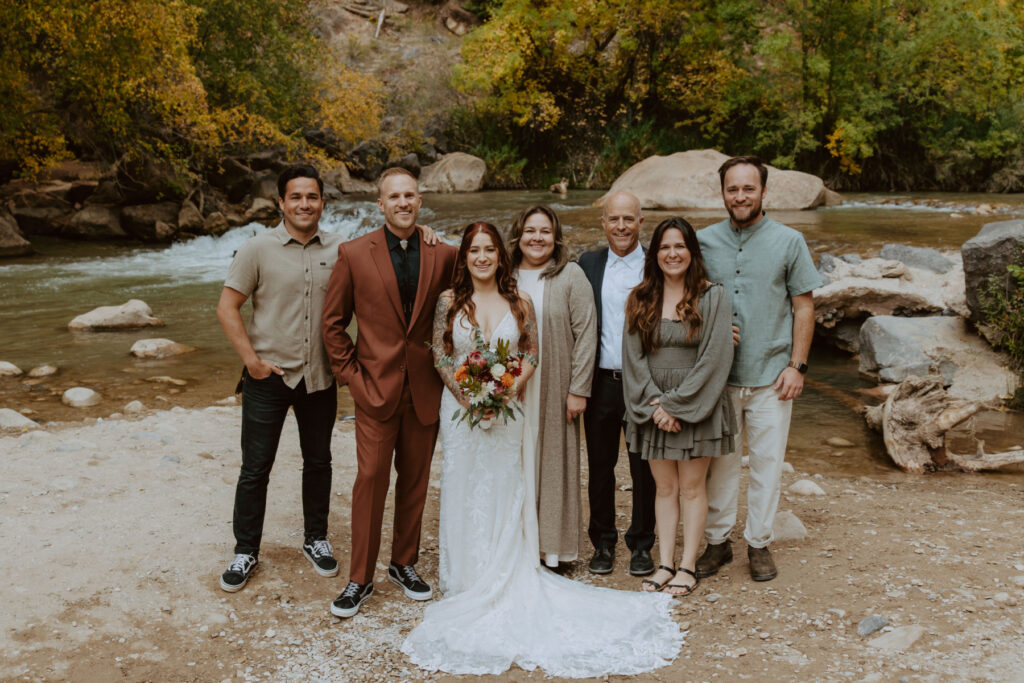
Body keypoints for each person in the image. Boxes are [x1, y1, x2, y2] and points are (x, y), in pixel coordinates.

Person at [401, 223, 681, 678]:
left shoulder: (520, 302)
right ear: (465, 257)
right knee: (464, 486)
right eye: (475, 250)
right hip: (462, 414)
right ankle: (467, 577)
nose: (483, 257)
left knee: (507, 487)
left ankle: (509, 567)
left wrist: (506, 391)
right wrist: (470, 395)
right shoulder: (449, 302)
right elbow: (440, 352)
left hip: (509, 411)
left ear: (500, 255)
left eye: (490, 249)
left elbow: (530, 354)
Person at [321, 167, 458, 617]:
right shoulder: (354, 253)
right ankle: (360, 578)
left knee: (416, 483)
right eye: (394, 196)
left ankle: (404, 563)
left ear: (420, 201)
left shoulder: (445, 255)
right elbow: (333, 324)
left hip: (425, 391)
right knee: (370, 481)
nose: (403, 202)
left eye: (410, 195)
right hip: (373, 391)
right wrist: (351, 378)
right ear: (379, 205)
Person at [695, 156, 823, 582]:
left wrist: (797, 366)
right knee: (720, 467)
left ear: (764, 192)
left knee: (767, 464)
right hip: (721, 378)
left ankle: (759, 544)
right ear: (723, 193)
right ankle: (717, 543)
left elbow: (804, 307)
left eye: (749, 188)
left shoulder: (790, 241)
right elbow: (685, 300)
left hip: (772, 376)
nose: (741, 196)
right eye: (733, 189)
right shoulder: (703, 241)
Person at [216, 164, 340, 592]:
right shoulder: (257, 249)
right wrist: (251, 361)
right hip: (268, 377)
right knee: (255, 469)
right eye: (296, 197)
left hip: (320, 377)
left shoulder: (343, 250)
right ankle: (245, 550)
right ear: (282, 203)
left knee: (319, 462)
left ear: (322, 202)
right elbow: (227, 307)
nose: (304, 204)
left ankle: (316, 540)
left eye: (312, 197)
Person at [622, 217, 735, 597]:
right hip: (653, 405)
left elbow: (715, 358)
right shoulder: (640, 298)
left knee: (691, 487)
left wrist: (676, 406)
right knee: (664, 488)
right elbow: (633, 359)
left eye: (680, 246)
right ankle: (665, 563)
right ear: (654, 254)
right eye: (665, 247)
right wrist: (656, 404)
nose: (672, 254)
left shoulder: (713, 296)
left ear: (692, 252)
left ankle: (688, 565)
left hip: (696, 403)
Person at [508, 204, 597, 568]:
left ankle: (553, 550)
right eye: (530, 230)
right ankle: (515, 544)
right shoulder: (505, 276)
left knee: (555, 464)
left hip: (557, 385)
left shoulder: (570, 276)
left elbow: (587, 333)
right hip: (511, 388)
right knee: (515, 463)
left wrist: (578, 389)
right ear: (518, 235)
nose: (537, 238)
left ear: (555, 237)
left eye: (545, 231)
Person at [577, 191, 657, 577]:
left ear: (641, 222)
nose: (621, 226)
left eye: (629, 219)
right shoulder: (587, 263)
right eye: (614, 219)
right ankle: (603, 542)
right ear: (603, 223)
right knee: (600, 466)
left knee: (644, 467)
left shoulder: (656, 265)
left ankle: (642, 544)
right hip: (600, 382)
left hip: (644, 383)